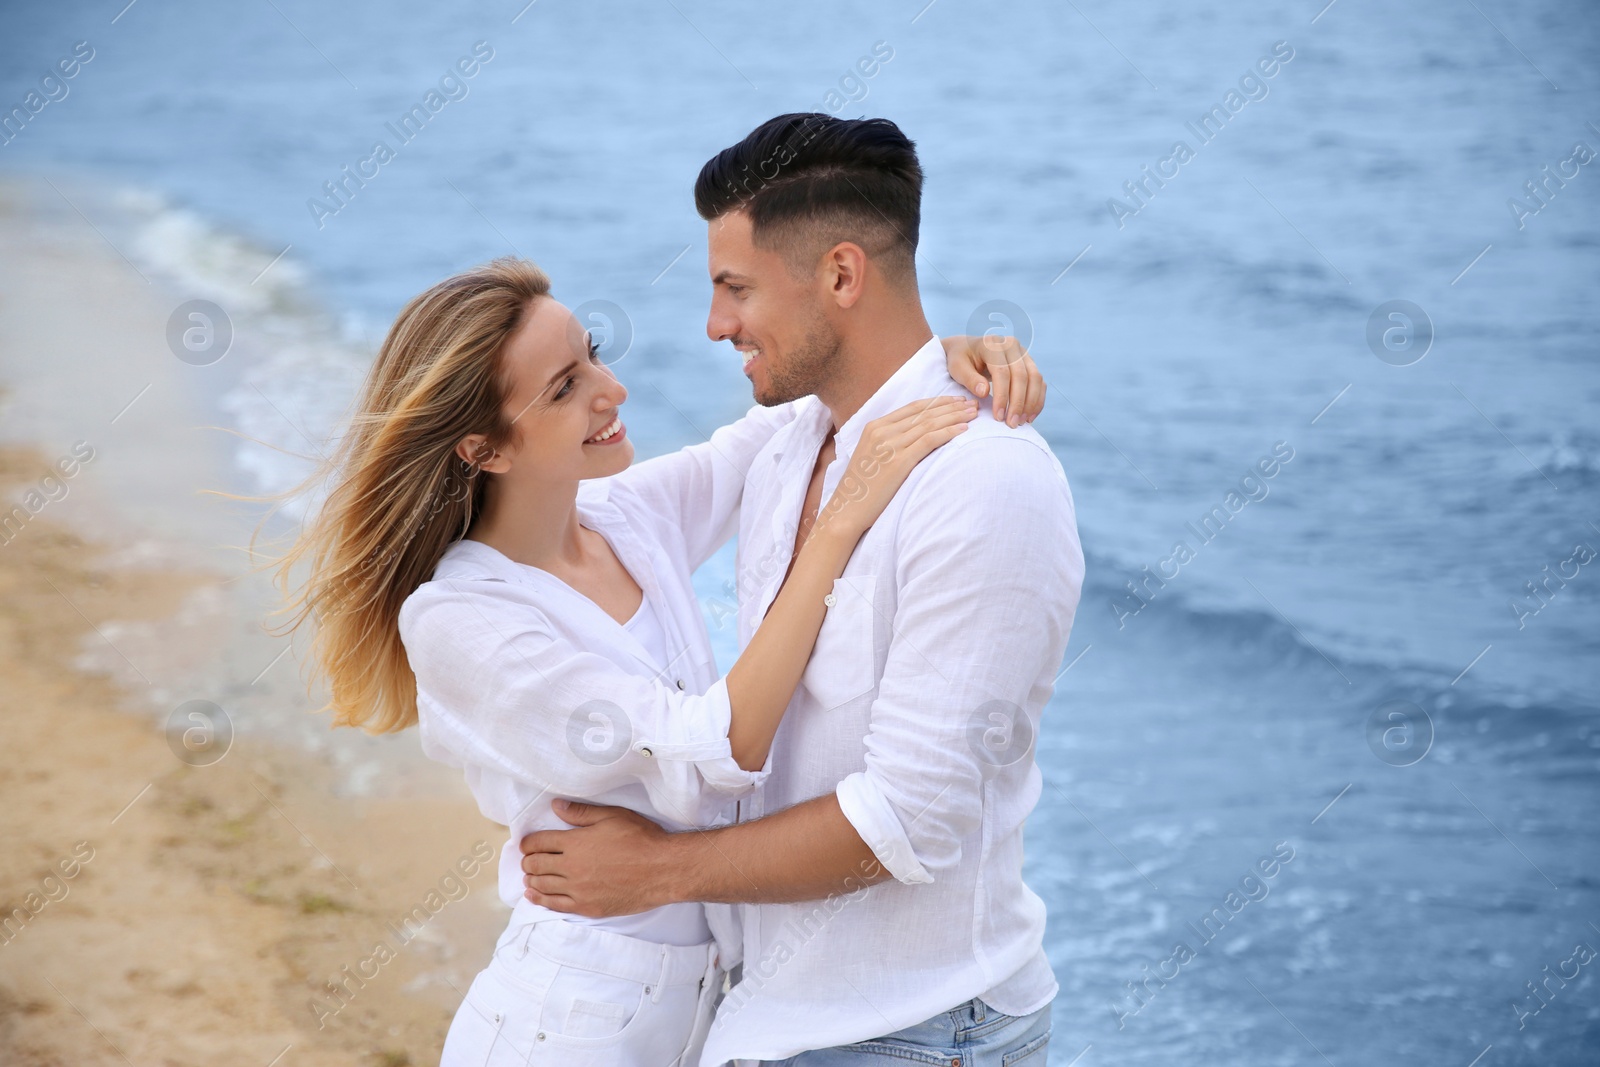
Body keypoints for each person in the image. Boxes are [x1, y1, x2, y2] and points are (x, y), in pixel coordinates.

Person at [273, 253, 1047, 1065]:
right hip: (568, 1020)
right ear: (484, 448)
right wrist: (839, 529)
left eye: (592, 353)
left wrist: (940, 360)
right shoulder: (461, 619)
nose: (612, 391)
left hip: (705, 1011)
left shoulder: (625, 517)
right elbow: (717, 744)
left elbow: (787, 422)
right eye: (564, 388)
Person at [519, 114, 1085, 1066]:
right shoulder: (786, 448)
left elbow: (907, 821)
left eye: (734, 288)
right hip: (773, 1014)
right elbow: (569, 514)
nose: (715, 324)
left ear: (841, 276)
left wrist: (656, 872)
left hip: (919, 1028)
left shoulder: (987, 483)